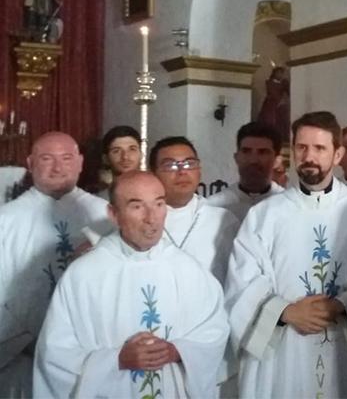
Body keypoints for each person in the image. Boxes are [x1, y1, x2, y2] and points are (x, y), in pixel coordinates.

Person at [226, 111, 347, 398]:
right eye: (302, 147)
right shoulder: (264, 215)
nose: (309, 156)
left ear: (337, 155)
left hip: (343, 350)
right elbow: (242, 281)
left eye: (320, 148)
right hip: (283, 350)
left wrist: (341, 304)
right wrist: (285, 311)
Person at [34, 171, 229, 397]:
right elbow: (55, 354)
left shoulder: (190, 271)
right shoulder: (83, 276)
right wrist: (115, 360)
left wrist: (177, 351)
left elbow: (214, 331)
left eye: (159, 204)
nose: (152, 217)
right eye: (137, 206)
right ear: (114, 214)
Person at [0, 133, 111, 396]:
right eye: (46, 158)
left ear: (81, 162)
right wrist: (26, 341)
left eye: (67, 158)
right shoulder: (6, 221)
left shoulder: (106, 215)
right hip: (23, 359)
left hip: (93, 360)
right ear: (30, 162)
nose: (58, 167)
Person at [150, 136, 239, 284]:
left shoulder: (223, 221)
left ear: (199, 171)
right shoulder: (144, 220)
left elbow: (236, 281)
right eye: (171, 165)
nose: (182, 172)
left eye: (189, 164)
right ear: (153, 173)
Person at [207, 121, 284, 222]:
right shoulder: (214, 206)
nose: (253, 160)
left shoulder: (287, 204)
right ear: (236, 158)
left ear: (277, 161)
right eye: (246, 151)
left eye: (263, 152)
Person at [98, 125, 143, 201]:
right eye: (116, 151)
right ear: (105, 159)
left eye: (132, 149)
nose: (125, 156)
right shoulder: (98, 201)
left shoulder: (156, 196)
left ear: (141, 154)